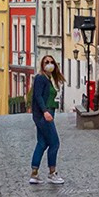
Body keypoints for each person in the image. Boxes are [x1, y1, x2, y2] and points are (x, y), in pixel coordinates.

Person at [27, 56, 64, 186]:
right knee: (54, 143)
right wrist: (45, 111)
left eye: (51, 62)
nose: (49, 64)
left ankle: (34, 174)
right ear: (42, 65)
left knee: (42, 143)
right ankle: (52, 173)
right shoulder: (41, 78)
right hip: (44, 115)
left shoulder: (49, 79)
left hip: (46, 114)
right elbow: (37, 96)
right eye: (46, 62)